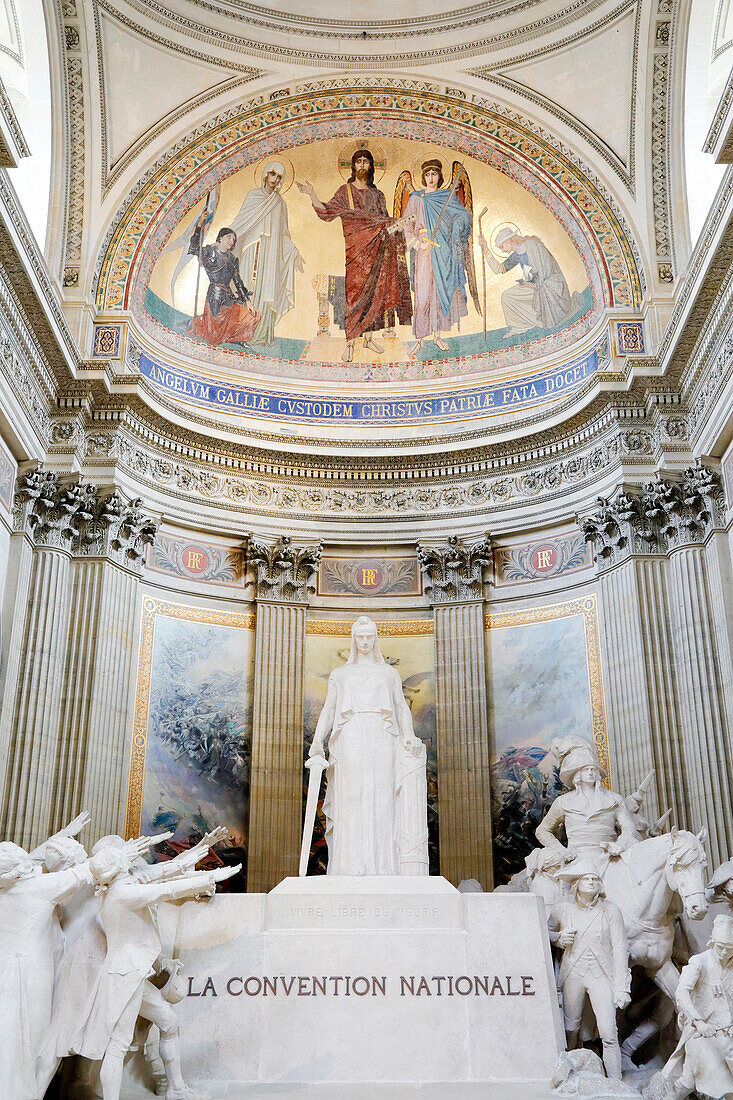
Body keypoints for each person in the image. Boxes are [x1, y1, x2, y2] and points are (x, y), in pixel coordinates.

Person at [71, 845, 239, 1100]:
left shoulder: (115, 890)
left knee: (169, 1022)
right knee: (118, 1045)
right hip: (125, 976)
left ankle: (177, 1089)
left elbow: (157, 874)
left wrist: (192, 857)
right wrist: (208, 878)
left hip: (133, 974)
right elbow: (164, 889)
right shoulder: (122, 893)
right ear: (118, 866)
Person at [308, 616, 428, 875]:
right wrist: (317, 742)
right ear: (354, 640)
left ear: (375, 639)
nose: (364, 641)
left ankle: (385, 866)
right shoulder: (340, 674)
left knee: (383, 799)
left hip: (383, 738)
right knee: (351, 799)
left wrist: (408, 734)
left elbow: (399, 707)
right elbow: (329, 711)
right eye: (360, 637)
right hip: (350, 738)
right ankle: (350, 865)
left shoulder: (388, 673)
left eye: (369, 636)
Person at [297, 149, 412, 362]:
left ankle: (368, 339)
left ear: (371, 167)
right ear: (353, 166)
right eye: (358, 162)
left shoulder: (378, 195)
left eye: (366, 162)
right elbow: (327, 212)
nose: (361, 165)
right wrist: (312, 194)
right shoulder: (345, 191)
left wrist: (401, 225)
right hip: (356, 255)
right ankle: (350, 342)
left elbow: (384, 222)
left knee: (376, 295)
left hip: (378, 251)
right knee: (354, 297)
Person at [0, 839, 93, 1100]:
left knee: (7, 1036)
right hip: (32, 973)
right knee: (33, 1038)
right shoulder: (38, 888)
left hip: (5, 967)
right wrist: (121, 854)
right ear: (21, 869)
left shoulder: (8, 888)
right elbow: (83, 872)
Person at [549, 859, 632, 1080]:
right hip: (573, 972)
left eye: (595, 879)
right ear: (576, 883)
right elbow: (544, 931)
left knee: (608, 1032)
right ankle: (571, 1072)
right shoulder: (562, 906)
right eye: (586, 878)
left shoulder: (611, 910)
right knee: (570, 1028)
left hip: (602, 974)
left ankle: (616, 1081)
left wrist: (622, 987)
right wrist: (558, 939)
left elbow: (621, 949)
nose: (591, 882)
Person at [535, 735, 639, 871]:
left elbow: (629, 828)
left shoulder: (615, 799)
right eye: (585, 769)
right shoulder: (563, 802)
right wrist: (561, 851)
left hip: (610, 858)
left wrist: (620, 844)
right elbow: (542, 830)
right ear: (577, 773)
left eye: (592, 769)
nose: (590, 773)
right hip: (576, 860)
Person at [230, 161, 304, 347]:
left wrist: (294, 253)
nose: (275, 179)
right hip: (250, 251)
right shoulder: (253, 196)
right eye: (273, 174)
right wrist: (223, 240)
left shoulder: (280, 203)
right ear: (265, 174)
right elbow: (241, 221)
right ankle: (240, 333)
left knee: (266, 291)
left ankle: (260, 335)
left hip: (270, 256)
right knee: (247, 286)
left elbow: (284, 233)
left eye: (279, 177)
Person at [659, 914, 733, 1099]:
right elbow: (682, 993)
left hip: (728, 1033)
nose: (724, 953)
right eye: (720, 948)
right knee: (695, 1079)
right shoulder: (699, 962)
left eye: (729, 949)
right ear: (712, 943)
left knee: (719, 1080)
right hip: (702, 1033)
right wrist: (698, 1021)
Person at [403, 159, 472, 356]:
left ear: (439, 177)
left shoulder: (446, 197)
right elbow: (406, 226)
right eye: (427, 174)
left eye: (434, 174)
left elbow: (462, 216)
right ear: (423, 177)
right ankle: (420, 339)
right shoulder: (416, 198)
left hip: (443, 251)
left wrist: (458, 225)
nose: (431, 178)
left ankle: (437, 336)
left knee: (439, 294)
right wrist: (419, 243)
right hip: (424, 251)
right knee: (423, 295)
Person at [478, 226, 573, 337]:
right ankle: (520, 327)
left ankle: (544, 319)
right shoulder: (515, 256)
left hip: (549, 284)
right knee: (507, 296)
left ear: (508, 240)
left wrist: (530, 283)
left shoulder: (533, 245)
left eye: (502, 247)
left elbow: (546, 269)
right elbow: (498, 269)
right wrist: (485, 249)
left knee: (536, 290)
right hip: (535, 284)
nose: (503, 250)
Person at [187, 223, 260, 347]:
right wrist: (199, 228)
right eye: (229, 237)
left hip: (228, 297)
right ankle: (197, 322)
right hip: (214, 296)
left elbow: (237, 281)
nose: (231, 241)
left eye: (234, 239)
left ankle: (236, 338)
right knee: (213, 338)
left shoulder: (233, 259)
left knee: (253, 315)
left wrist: (247, 301)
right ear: (220, 238)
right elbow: (194, 249)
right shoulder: (209, 252)